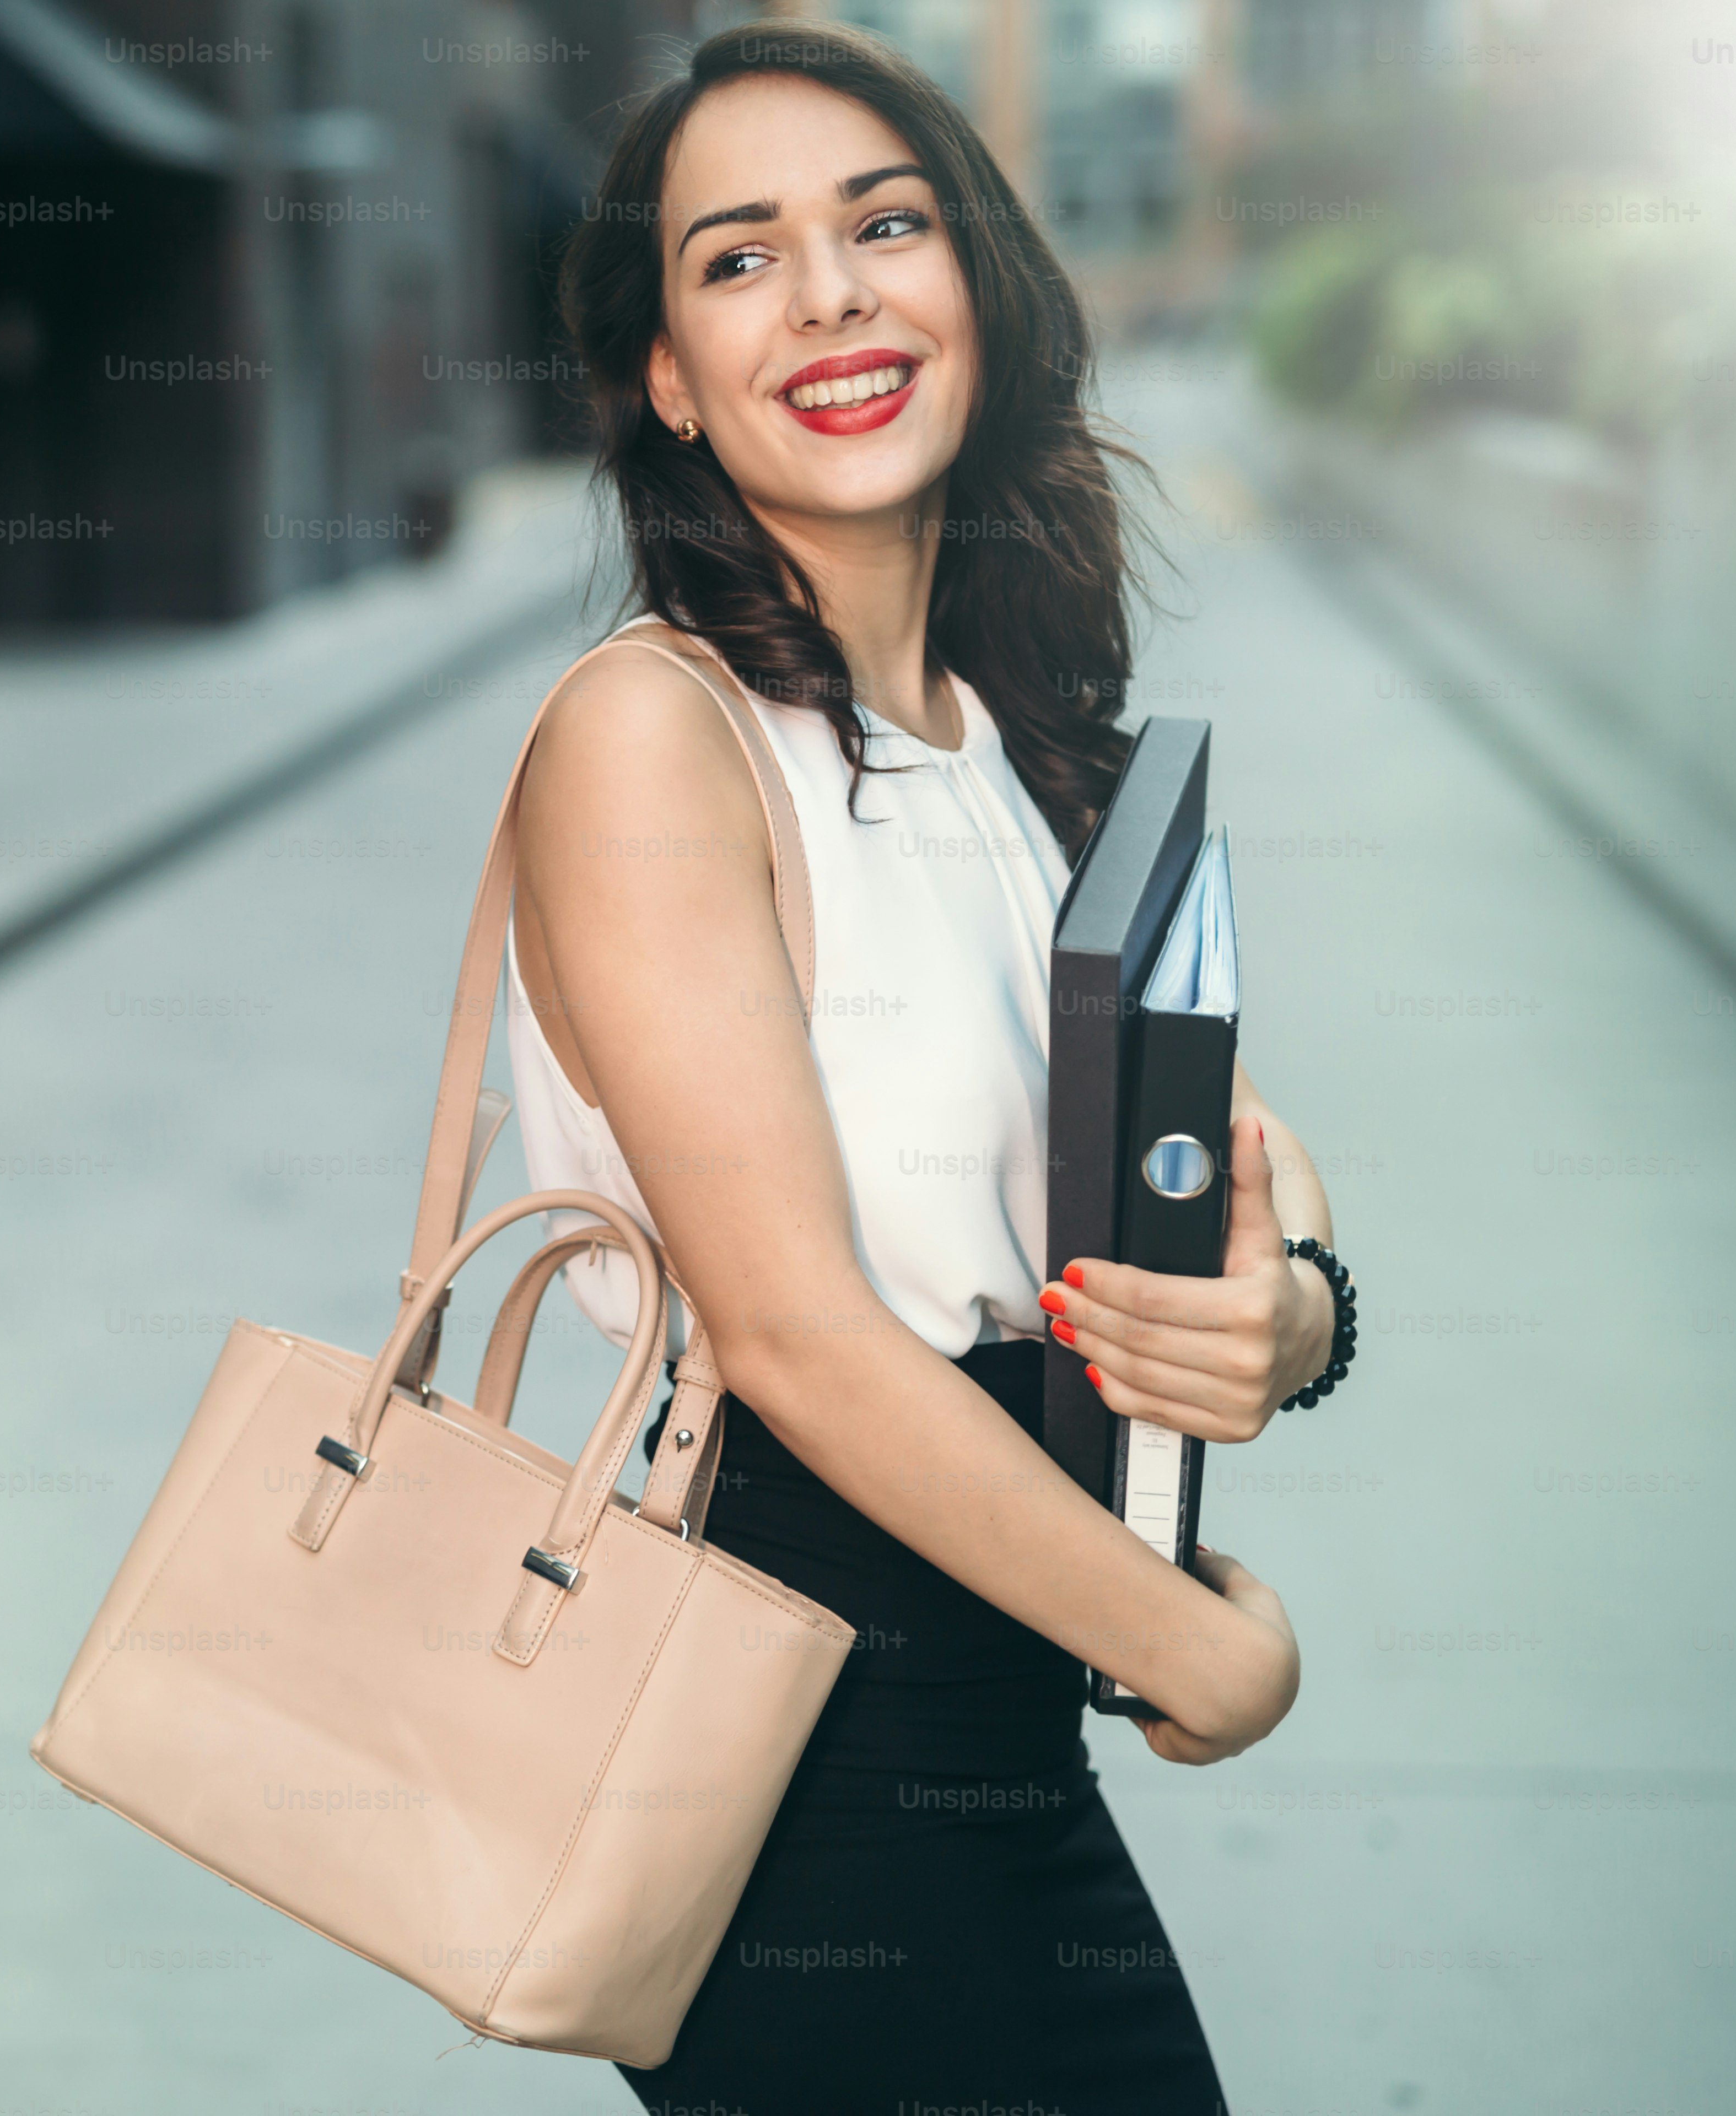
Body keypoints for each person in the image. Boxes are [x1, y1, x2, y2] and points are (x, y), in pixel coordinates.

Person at [503, 24, 1343, 2109]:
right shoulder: (654, 735)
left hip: (1000, 1711)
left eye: (884, 226)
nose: (830, 296)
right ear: (669, 379)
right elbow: (795, 1334)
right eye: (739, 257)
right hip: (815, 1756)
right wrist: (1196, 1647)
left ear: (979, 280)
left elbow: (1233, 1161)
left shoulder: (1005, 735)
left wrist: (1298, 1319)